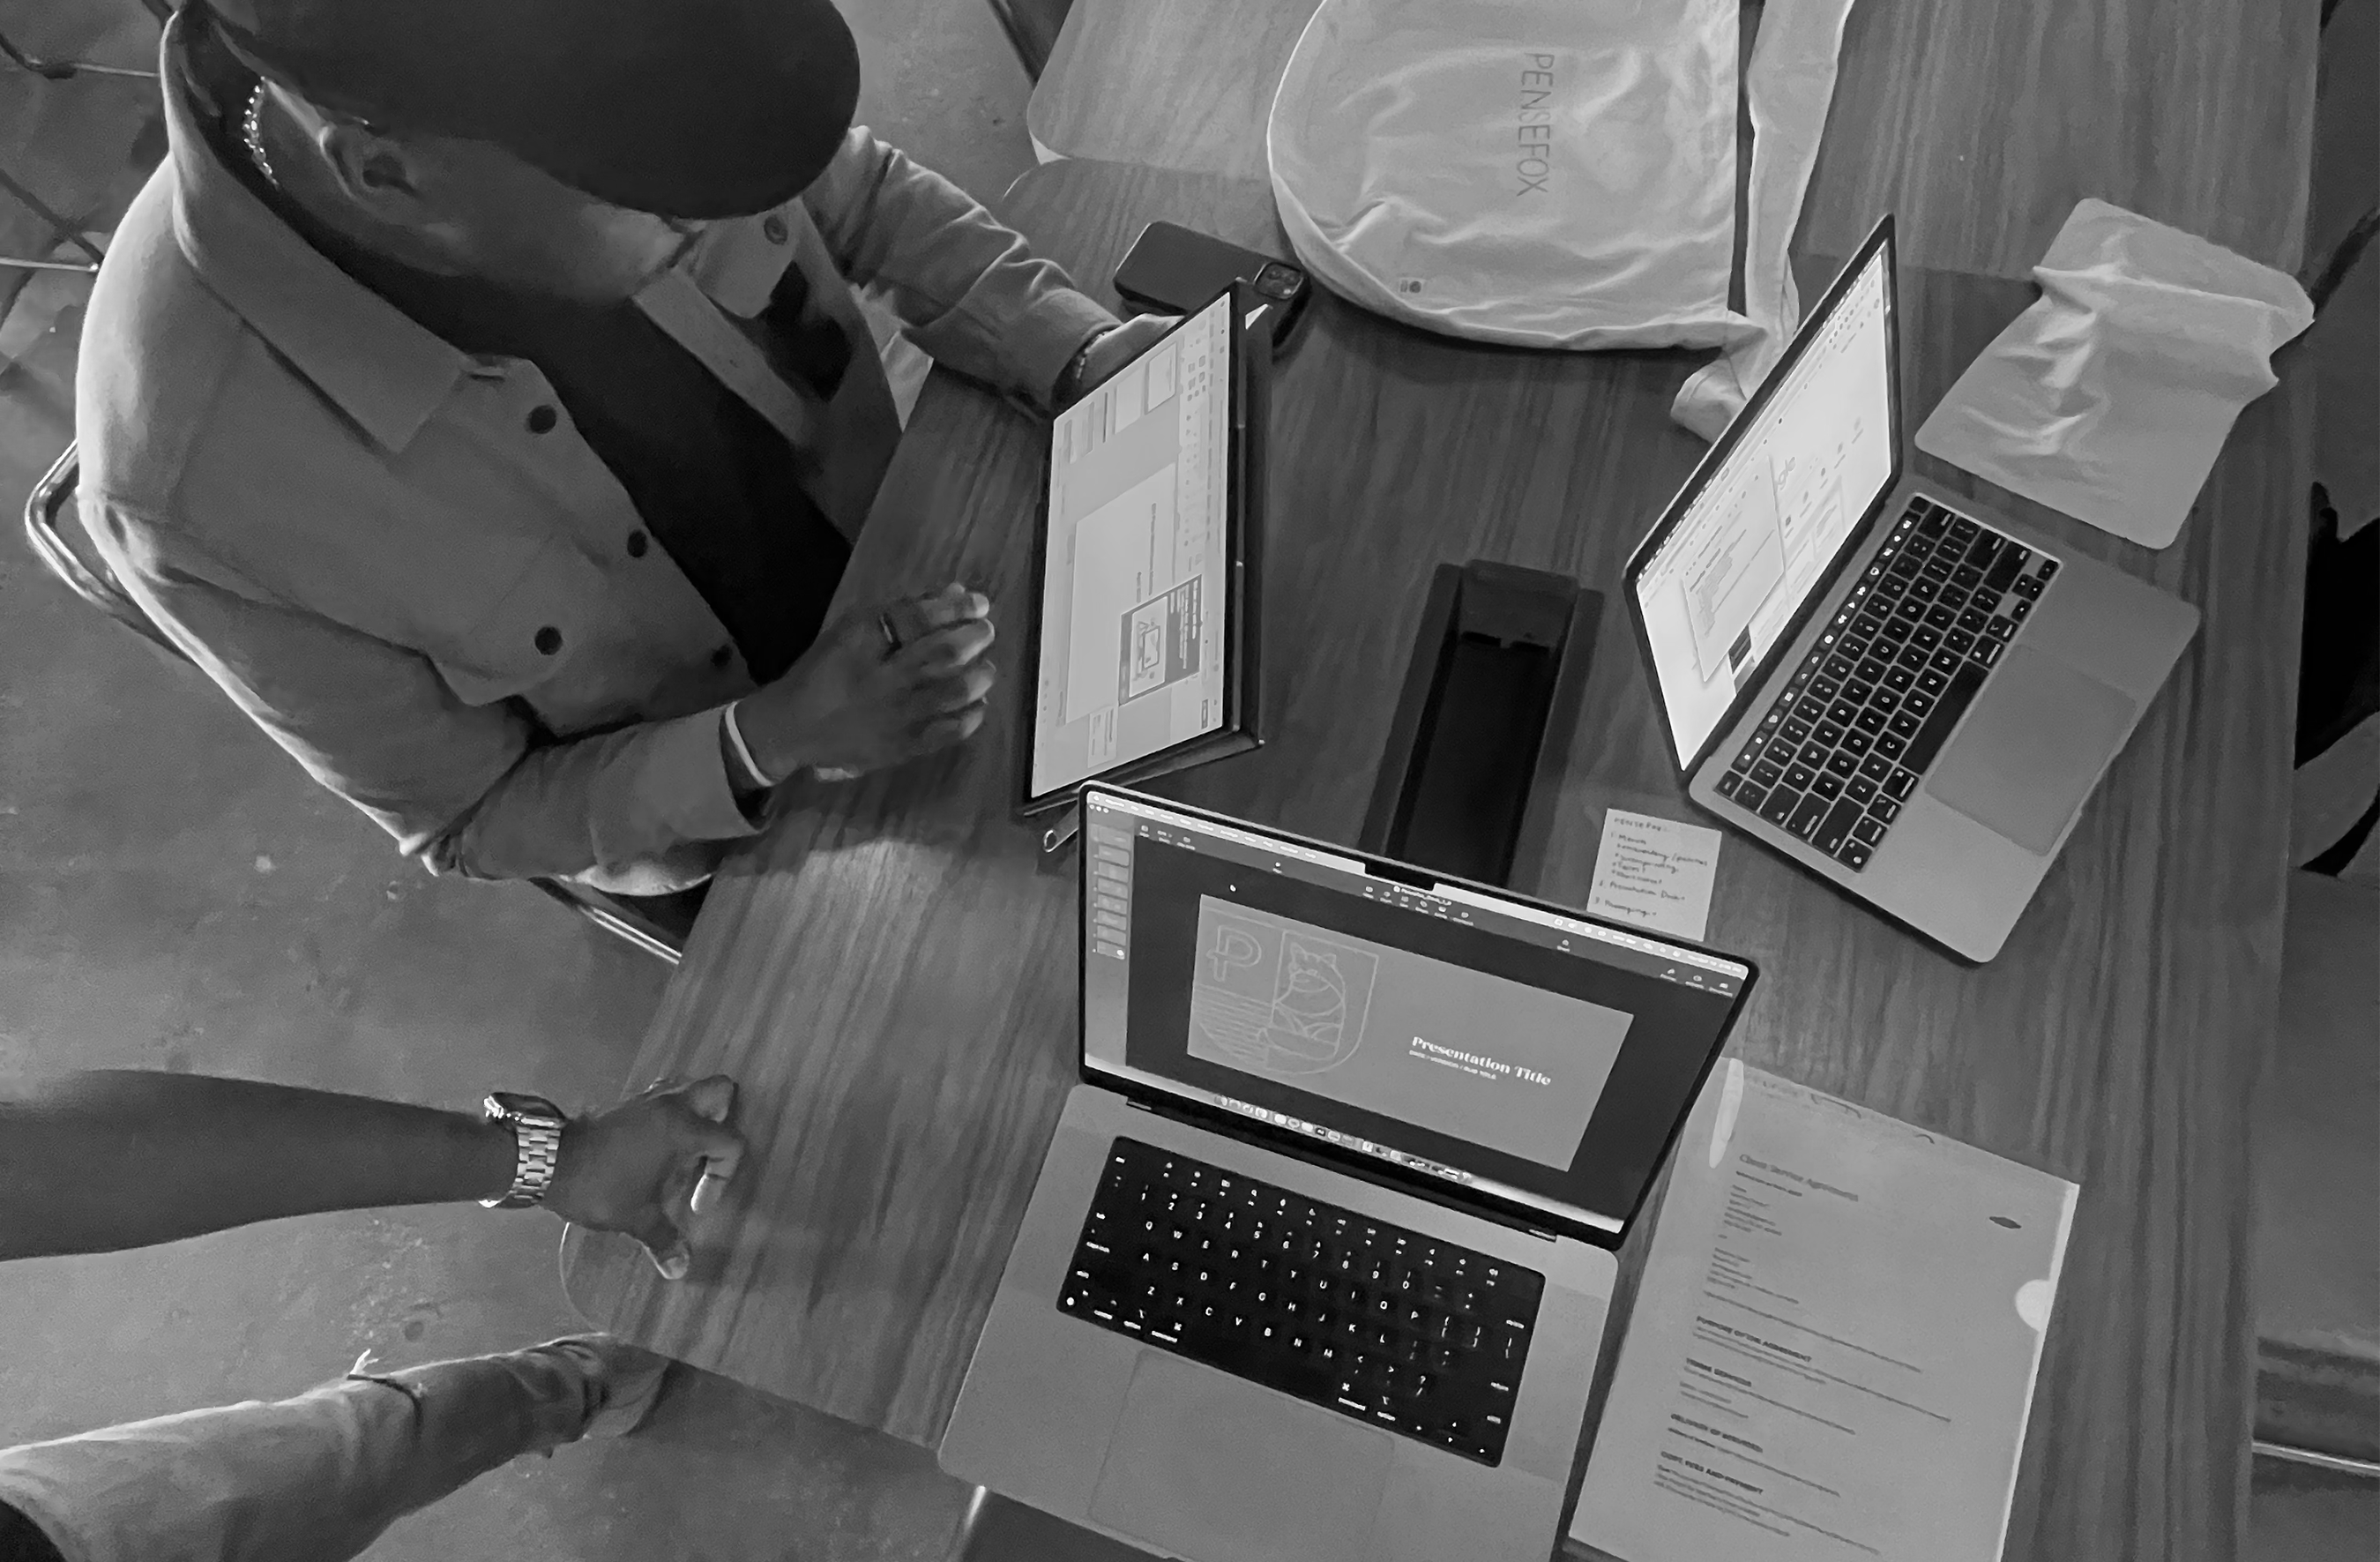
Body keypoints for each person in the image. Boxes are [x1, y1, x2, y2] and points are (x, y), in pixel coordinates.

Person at [73, 0, 1175, 899]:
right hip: (756, 835)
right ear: (387, 177)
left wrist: (1073, 355)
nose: (728, 214)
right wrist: (770, 739)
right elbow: (472, 817)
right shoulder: (194, 488)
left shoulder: (628, 90)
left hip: (921, 571)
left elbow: (864, 197)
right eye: (676, 218)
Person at [0, 1069, 743, 1562]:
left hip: (45, 1535)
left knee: (368, 1444)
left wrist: (555, 1159)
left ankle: (571, 1388)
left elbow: (35, 1166)